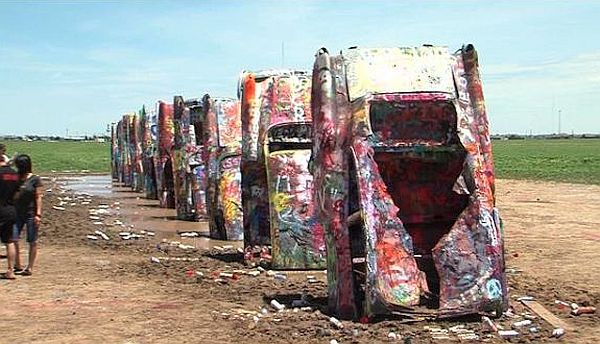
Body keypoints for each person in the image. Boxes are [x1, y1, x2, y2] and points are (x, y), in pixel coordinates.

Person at [13, 154, 43, 276]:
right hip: (16, 213)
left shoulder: (35, 179)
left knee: (32, 240)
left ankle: (29, 267)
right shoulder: (15, 178)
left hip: (31, 213)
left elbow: (38, 197)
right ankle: (17, 263)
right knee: (13, 238)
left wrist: (38, 214)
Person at [0, 152, 19, 280]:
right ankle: (10, 270)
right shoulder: (14, 174)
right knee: (9, 241)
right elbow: (17, 194)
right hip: (10, 209)